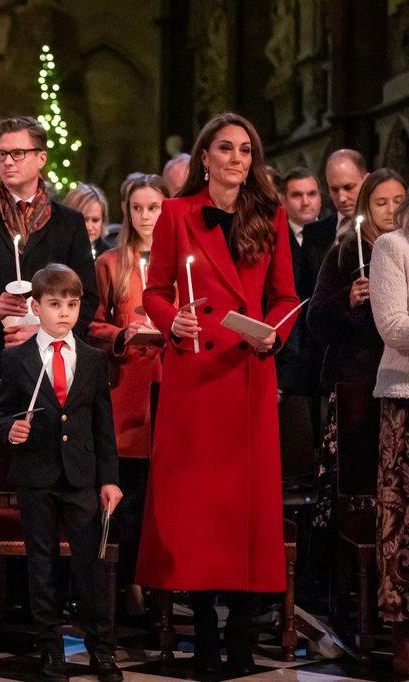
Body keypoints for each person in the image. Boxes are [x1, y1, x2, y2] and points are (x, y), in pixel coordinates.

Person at [135, 112, 300, 676]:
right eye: (225, 148)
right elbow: (155, 291)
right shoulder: (177, 214)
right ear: (204, 157)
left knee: (246, 511)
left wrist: (275, 332)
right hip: (197, 377)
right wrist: (172, 322)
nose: (236, 158)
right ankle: (204, 633)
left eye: (245, 150)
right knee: (197, 510)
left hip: (250, 375)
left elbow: (284, 296)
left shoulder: (270, 215)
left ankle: (242, 635)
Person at [0, 115, 97, 514]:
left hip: (50, 372)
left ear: (41, 158)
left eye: (17, 153)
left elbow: (90, 299)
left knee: (45, 491)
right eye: (1, 154)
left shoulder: (68, 224)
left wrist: (44, 332)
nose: (7, 161)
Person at [0, 263, 122, 681]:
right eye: (54, 304)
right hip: (36, 476)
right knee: (42, 566)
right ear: (36, 307)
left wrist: (110, 479)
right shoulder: (16, 359)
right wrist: (11, 428)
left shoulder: (93, 358)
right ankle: (50, 650)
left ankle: (102, 650)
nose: (64, 313)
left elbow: (104, 424)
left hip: (82, 477)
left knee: (91, 566)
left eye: (71, 304)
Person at [307, 168, 405, 566]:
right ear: (367, 206)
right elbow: (315, 319)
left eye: (397, 201)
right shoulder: (348, 251)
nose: (389, 210)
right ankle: (342, 571)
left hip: (399, 377)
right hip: (356, 380)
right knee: (354, 482)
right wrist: (346, 300)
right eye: (380, 202)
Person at [88, 173, 167, 615]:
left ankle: (158, 582)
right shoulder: (111, 262)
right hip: (126, 390)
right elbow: (93, 324)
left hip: (168, 386)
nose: (145, 216)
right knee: (128, 493)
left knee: (163, 492)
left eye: (153, 208)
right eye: (137, 208)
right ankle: (127, 585)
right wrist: (123, 333)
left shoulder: (178, 262)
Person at [370, 198, 409, 674]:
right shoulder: (392, 246)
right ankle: (404, 638)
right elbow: (395, 327)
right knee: (403, 530)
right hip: (406, 398)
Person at [276, 167, 326, 487]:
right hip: (291, 363)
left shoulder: (332, 235)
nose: (306, 202)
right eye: (297, 195)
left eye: (312, 194)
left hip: (324, 357)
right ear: (283, 199)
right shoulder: (276, 237)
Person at [302, 149, 370, 258]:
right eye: (334, 190)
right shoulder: (313, 234)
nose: (341, 198)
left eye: (349, 187)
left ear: (367, 180)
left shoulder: (386, 224)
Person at [65, 183, 111, 256]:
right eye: (84, 220)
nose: (89, 227)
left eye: (95, 220)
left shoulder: (110, 257)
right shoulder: (55, 251)